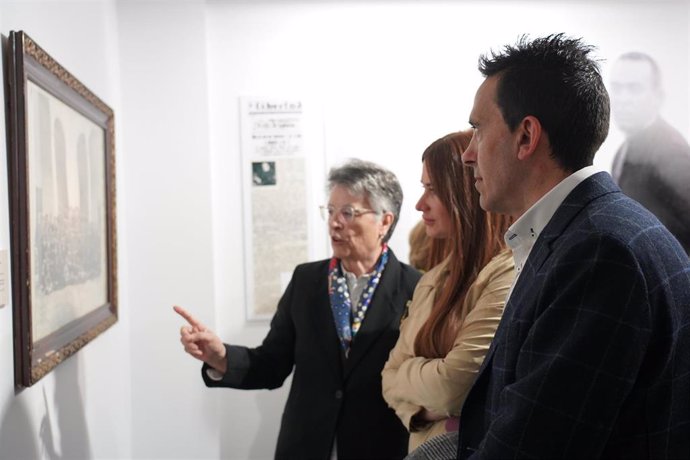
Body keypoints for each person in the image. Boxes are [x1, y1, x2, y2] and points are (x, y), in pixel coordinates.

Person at [456, 34, 690, 459]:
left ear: (526, 136)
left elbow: (535, 445)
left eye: (477, 130)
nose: (467, 155)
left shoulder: (599, 252)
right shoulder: (595, 230)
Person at [175, 158, 421, 460]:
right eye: (330, 211)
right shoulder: (306, 281)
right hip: (305, 445)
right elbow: (272, 364)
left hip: (379, 447)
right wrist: (220, 356)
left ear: (385, 221)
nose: (334, 222)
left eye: (348, 212)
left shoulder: (416, 288)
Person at [382, 130, 514, 453]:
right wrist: (427, 406)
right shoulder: (436, 278)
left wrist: (411, 378)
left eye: (432, 189)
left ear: (465, 192)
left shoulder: (506, 274)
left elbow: (454, 388)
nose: (419, 204)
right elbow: (388, 379)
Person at [609, 51, 690, 254]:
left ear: (658, 97)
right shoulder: (624, 150)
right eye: (617, 88)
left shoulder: (671, 155)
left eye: (634, 89)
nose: (623, 99)